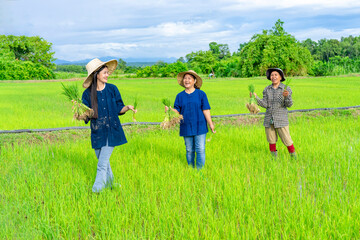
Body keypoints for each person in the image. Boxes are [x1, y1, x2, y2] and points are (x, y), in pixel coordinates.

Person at [81, 58, 137, 192]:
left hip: (112, 130)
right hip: (97, 131)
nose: (107, 75)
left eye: (107, 72)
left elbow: (119, 108)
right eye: (104, 73)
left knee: (101, 164)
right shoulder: (87, 94)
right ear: (96, 75)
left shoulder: (112, 89)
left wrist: (127, 107)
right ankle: (111, 184)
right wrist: (80, 114)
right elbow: (86, 114)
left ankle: (96, 190)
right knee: (104, 162)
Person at [165, 70, 216, 169]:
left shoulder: (201, 94)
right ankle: (191, 169)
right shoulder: (179, 96)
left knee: (200, 149)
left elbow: (206, 110)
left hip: (200, 125)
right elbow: (177, 112)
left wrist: (211, 124)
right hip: (186, 126)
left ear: (194, 81)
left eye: (189, 78)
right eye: (185, 78)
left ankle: (199, 170)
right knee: (189, 150)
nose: (186, 80)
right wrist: (169, 110)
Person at [251, 68, 296, 158]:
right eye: (272, 75)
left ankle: (294, 158)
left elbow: (289, 104)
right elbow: (265, 104)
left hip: (281, 119)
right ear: (269, 77)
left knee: (287, 140)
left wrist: (287, 97)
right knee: (271, 140)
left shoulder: (285, 89)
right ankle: (273, 159)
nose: (273, 77)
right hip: (269, 119)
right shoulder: (267, 89)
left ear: (280, 77)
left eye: (276, 75)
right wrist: (256, 97)